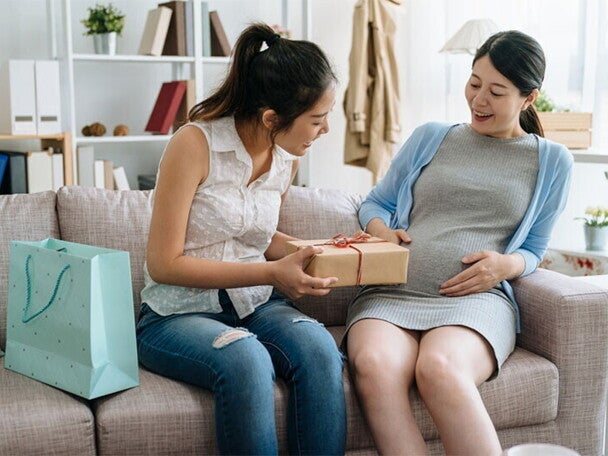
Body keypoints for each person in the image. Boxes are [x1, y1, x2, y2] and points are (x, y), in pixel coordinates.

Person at [345, 30, 573, 455]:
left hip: (474, 303)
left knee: (440, 367)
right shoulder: (432, 136)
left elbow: (535, 249)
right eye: (474, 83)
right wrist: (381, 231)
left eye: (497, 92)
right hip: (391, 294)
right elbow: (376, 202)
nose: (478, 100)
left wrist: (506, 266)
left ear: (529, 98)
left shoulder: (552, 161)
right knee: (375, 366)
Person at [136, 23, 346, 455]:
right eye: (317, 120)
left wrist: (328, 250)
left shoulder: (285, 159)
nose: (325, 131)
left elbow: (260, 236)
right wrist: (271, 272)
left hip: (256, 305)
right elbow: (164, 263)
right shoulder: (194, 144)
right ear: (272, 118)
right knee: (247, 360)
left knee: (322, 350)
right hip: (176, 314)